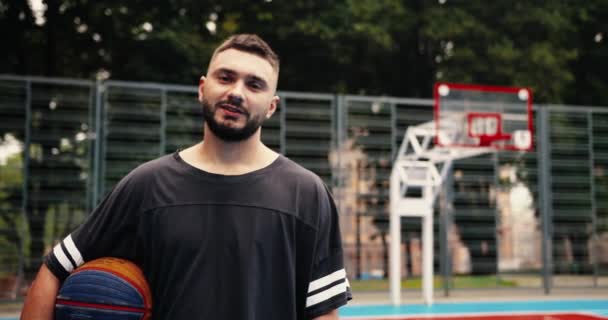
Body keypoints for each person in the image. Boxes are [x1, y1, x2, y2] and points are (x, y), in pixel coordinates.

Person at [21, 34, 351, 320]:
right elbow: (55, 268)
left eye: (254, 85)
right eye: (225, 78)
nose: (236, 92)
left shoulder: (306, 193)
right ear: (202, 88)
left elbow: (322, 312)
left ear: (271, 107)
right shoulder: (148, 185)